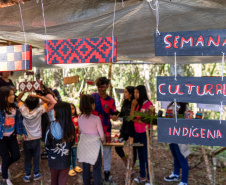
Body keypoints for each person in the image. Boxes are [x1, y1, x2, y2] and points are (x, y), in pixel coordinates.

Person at [17, 91, 50, 182]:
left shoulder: (23, 109)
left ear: (26, 103)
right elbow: (48, 102)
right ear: (37, 104)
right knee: (36, 157)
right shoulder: (39, 110)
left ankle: (27, 175)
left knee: (27, 157)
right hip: (37, 138)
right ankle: (36, 174)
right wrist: (36, 95)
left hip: (26, 138)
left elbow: (18, 99)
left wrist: (24, 91)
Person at [91, 77, 118, 182]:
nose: (101, 89)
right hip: (93, 130)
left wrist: (115, 116)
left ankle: (107, 173)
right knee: (94, 152)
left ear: (107, 86)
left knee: (106, 152)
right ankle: (95, 174)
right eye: (99, 87)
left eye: (103, 87)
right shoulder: (92, 97)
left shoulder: (111, 100)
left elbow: (114, 113)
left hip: (106, 129)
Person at [0, 86, 27, 185]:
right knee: (6, 157)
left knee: (16, 156)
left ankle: (4, 167)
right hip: (1, 138)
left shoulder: (15, 107)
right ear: (3, 96)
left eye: (13, 94)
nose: (13, 96)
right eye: (10, 95)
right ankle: (4, 179)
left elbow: (20, 122)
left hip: (12, 137)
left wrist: (23, 133)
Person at [45, 102, 75, 185]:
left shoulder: (50, 126)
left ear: (57, 112)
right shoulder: (71, 126)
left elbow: (47, 144)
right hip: (66, 159)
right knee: (62, 181)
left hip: (53, 159)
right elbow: (72, 143)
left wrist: (50, 153)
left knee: (53, 181)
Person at [77, 95, 104, 185]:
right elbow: (102, 136)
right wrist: (102, 140)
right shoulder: (96, 119)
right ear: (92, 105)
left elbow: (81, 131)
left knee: (86, 168)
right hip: (95, 147)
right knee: (97, 168)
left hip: (84, 146)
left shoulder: (80, 118)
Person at [130, 85, 153, 185]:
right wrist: (133, 106)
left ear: (142, 93)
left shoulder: (149, 104)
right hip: (137, 132)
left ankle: (149, 178)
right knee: (140, 155)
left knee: (146, 154)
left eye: (137, 92)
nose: (135, 94)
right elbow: (132, 118)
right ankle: (142, 176)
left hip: (145, 132)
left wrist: (139, 119)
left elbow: (148, 119)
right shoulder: (137, 104)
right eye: (134, 92)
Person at [164, 102, 190, 185]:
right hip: (172, 135)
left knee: (182, 157)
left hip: (181, 137)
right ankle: (176, 174)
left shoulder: (186, 108)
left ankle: (184, 181)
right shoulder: (171, 105)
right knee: (175, 156)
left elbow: (188, 122)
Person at [115, 86, 137, 169]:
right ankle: (126, 163)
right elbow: (122, 113)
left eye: (125, 92)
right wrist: (116, 115)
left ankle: (132, 168)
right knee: (118, 147)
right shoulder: (125, 102)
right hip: (124, 129)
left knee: (133, 149)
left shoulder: (135, 103)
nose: (124, 94)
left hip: (133, 130)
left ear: (130, 94)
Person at [68, 103, 82, 176]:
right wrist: (74, 128)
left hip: (76, 139)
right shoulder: (66, 118)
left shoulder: (77, 117)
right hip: (68, 140)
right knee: (69, 154)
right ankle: (69, 168)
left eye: (73, 108)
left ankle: (75, 165)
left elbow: (80, 126)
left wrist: (79, 128)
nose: (71, 110)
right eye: (70, 109)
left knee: (74, 153)